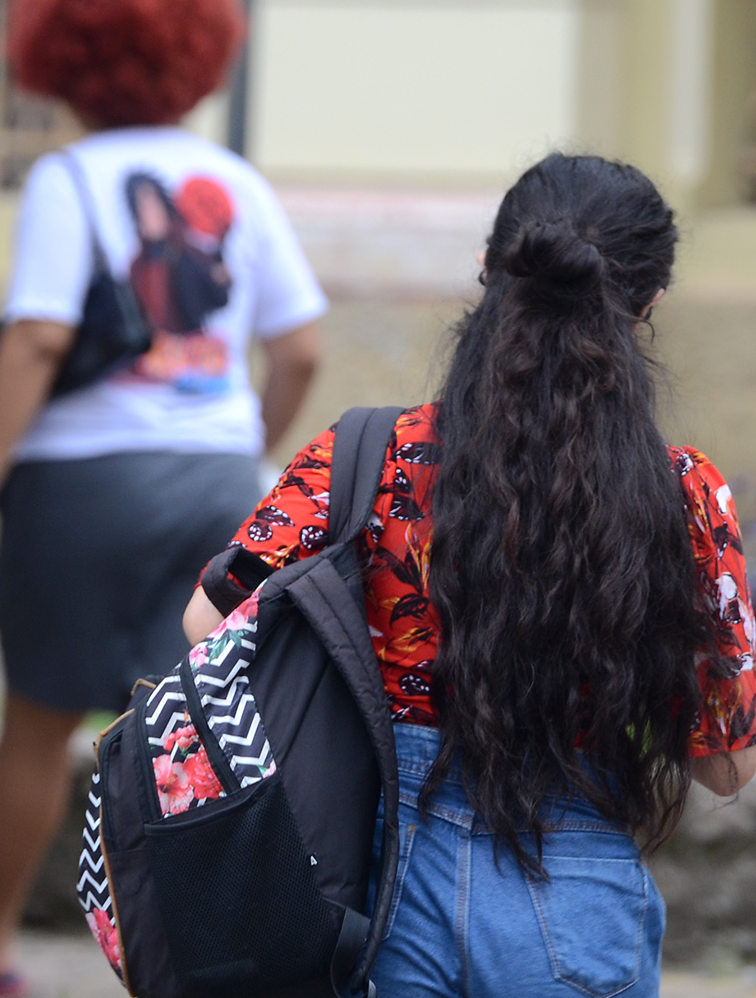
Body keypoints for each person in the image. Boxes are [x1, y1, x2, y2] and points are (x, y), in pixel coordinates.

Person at [181, 154, 756, 996]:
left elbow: (207, 624)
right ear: (649, 306)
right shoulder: (683, 495)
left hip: (378, 889)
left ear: (489, 268)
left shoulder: (366, 454)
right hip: (578, 907)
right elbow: (725, 764)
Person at [0, 0, 326, 996]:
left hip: (80, 487)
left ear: (62, 56)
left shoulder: (68, 181)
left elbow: (38, 337)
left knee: (38, 722)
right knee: (198, 728)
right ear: (197, 48)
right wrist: (242, 446)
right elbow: (301, 344)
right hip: (218, 480)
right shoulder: (235, 180)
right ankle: (207, 953)